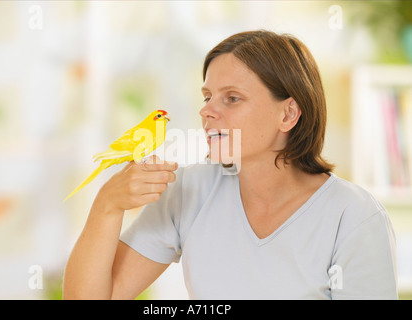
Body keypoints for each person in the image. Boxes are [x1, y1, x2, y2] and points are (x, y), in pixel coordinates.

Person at [63, 30, 398, 300]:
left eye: (232, 98)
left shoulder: (354, 216)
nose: (206, 110)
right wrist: (107, 205)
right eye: (207, 96)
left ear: (288, 114)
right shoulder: (188, 191)